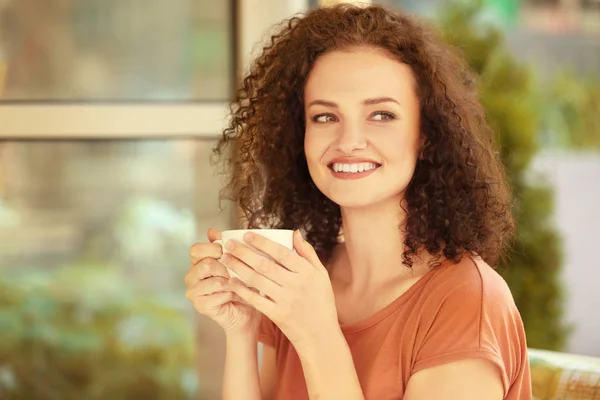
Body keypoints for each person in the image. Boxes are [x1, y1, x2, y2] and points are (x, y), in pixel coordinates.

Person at [185, 3, 531, 399]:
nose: (349, 141)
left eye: (381, 115)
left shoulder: (467, 302)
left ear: (427, 135)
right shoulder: (301, 283)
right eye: (325, 117)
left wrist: (317, 335)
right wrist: (242, 330)